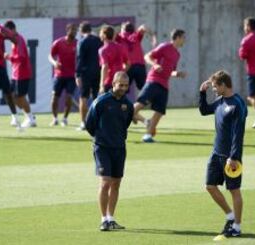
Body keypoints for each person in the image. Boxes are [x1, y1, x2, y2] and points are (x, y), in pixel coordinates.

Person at [199, 70, 247, 238]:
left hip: (231, 157)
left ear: (223, 85)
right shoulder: (220, 101)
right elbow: (204, 111)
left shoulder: (237, 104)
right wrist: (202, 93)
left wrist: (233, 157)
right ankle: (230, 216)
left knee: (234, 190)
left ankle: (237, 227)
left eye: (214, 87)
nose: (213, 89)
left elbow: (238, 133)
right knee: (210, 186)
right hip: (216, 153)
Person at [85, 71, 134, 232]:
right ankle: (103, 219)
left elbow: (125, 124)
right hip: (102, 148)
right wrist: (101, 138)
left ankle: (111, 218)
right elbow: (89, 124)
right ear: (113, 84)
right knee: (105, 182)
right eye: (120, 85)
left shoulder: (128, 104)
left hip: (119, 148)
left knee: (116, 184)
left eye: (126, 86)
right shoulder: (101, 101)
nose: (123, 88)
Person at [133, 29, 187, 143]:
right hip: (153, 80)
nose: (184, 40)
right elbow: (147, 56)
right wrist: (155, 64)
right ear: (177, 38)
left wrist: (177, 74)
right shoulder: (164, 46)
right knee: (139, 105)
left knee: (159, 111)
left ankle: (147, 136)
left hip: (164, 85)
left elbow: (171, 71)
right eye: (183, 37)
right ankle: (124, 116)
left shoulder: (177, 54)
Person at [4, 20, 36, 128]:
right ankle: (28, 115)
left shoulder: (19, 40)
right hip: (16, 74)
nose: (6, 35)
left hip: (22, 73)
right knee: (11, 96)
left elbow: (21, 58)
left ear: (13, 29)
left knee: (21, 97)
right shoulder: (14, 41)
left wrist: (9, 57)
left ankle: (30, 118)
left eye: (7, 32)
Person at [48, 23, 77, 127]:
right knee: (54, 98)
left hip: (72, 76)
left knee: (69, 97)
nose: (74, 32)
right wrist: (54, 63)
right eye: (72, 29)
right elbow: (50, 56)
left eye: (76, 30)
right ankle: (55, 118)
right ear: (67, 30)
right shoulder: (58, 42)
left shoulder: (78, 44)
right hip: (59, 75)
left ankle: (64, 119)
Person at [75, 21, 103, 131]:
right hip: (98, 72)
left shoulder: (82, 41)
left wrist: (77, 74)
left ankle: (83, 123)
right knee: (97, 98)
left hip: (85, 73)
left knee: (83, 97)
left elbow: (79, 59)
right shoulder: (98, 40)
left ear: (81, 31)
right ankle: (97, 122)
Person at [115, 22, 157, 92]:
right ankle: (146, 102)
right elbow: (143, 26)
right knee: (144, 88)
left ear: (122, 29)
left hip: (128, 66)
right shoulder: (136, 36)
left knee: (122, 89)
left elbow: (111, 32)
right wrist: (153, 36)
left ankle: (122, 102)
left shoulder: (119, 38)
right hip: (140, 66)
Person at [98, 25, 129, 94]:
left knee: (107, 103)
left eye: (100, 33)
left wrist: (101, 85)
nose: (99, 35)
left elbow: (105, 67)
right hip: (120, 80)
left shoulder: (103, 50)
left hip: (109, 81)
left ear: (104, 35)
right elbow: (128, 63)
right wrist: (122, 72)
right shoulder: (121, 47)